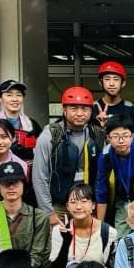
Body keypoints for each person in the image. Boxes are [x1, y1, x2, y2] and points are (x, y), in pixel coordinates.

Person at [33, 85, 104, 226]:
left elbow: (102, 176)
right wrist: (48, 212)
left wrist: (98, 208)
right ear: (64, 110)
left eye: (84, 109)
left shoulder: (97, 135)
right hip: (58, 206)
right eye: (74, 108)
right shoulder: (50, 135)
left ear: (91, 111)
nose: (80, 113)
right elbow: (40, 177)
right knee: (58, 240)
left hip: (88, 205)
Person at [49, 182, 116, 268]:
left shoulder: (108, 233)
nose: (78, 207)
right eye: (73, 202)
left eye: (84, 201)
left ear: (93, 205)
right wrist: (66, 241)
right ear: (67, 206)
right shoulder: (58, 231)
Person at [0, 79, 40, 163]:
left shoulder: (32, 124)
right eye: (9, 95)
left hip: (28, 169)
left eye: (19, 95)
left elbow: (40, 151)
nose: (15, 99)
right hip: (1, 168)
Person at [93, 60, 134, 139]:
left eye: (116, 79)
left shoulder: (131, 111)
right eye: (107, 79)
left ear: (123, 83)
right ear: (101, 83)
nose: (111, 83)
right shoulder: (92, 109)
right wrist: (101, 128)